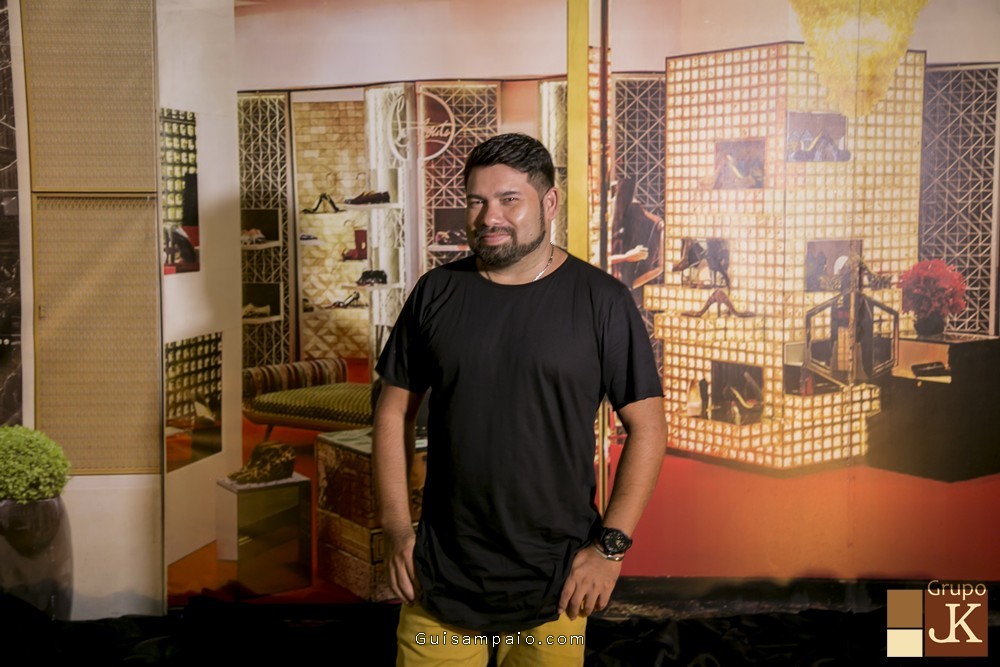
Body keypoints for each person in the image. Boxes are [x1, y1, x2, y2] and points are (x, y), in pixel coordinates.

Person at [373, 133, 667, 665]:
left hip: (558, 581)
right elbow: (392, 413)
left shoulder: (602, 300)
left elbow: (648, 428)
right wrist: (396, 529)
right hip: (442, 575)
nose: (490, 216)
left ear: (549, 203)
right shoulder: (435, 292)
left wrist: (609, 550)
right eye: (477, 200)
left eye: (510, 199)